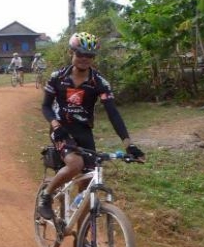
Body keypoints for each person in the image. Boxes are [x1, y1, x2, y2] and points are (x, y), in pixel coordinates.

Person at [37, 32, 145, 220]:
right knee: (75, 164)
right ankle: (46, 197)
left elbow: (113, 113)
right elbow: (46, 106)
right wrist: (55, 126)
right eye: (80, 54)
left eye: (89, 56)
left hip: (84, 132)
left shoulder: (99, 83)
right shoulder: (57, 77)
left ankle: (81, 238)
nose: (84, 59)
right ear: (72, 53)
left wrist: (129, 144)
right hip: (61, 130)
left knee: (86, 189)